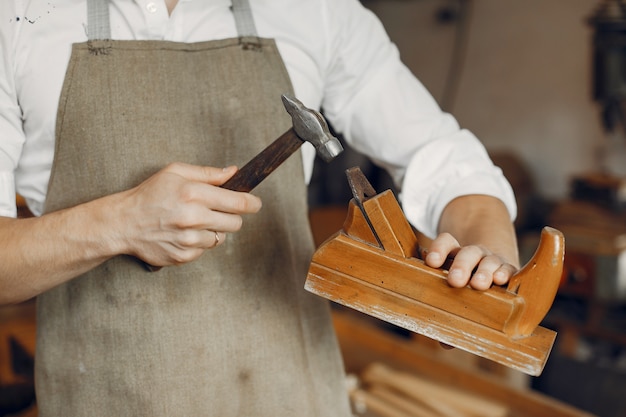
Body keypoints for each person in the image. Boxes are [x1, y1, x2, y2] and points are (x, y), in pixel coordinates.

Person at [0, 0, 520, 416]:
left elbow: (441, 155)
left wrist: (484, 250)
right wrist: (118, 224)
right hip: (109, 399)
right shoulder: (19, 18)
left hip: (295, 395)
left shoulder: (315, 12)